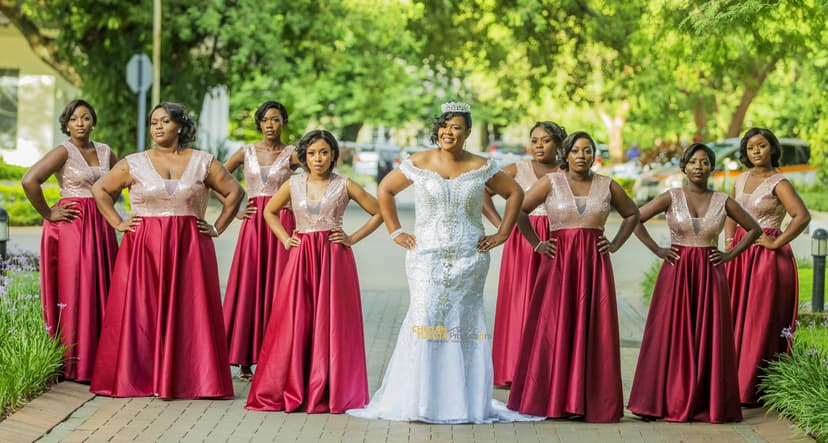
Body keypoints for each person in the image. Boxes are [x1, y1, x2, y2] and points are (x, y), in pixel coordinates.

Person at [347, 101, 542, 424]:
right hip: (426, 257)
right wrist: (395, 231)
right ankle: (421, 401)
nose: (448, 132)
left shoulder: (482, 165)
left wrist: (503, 233)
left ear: (467, 133)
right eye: (444, 126)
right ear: (437, 129)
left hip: (470, 255)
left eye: (456, 127)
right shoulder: (418, 162)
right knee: (425, 317)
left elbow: (515, 195)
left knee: (463, 326)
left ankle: (461, 403)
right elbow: (385, 189)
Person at [89, 102, 243, 399]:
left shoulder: (203, 161)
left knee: (190, 309)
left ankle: (194, 380)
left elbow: (234, 192)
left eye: (165, 121)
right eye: (153, 122)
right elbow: (100, 190)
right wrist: (118, 222)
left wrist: (218, 226)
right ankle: (140, 377)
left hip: (191, 248)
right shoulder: (134, 162)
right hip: (143, 247)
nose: (158, 126)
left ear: (181, 127)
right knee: (142, 310)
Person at [506, 131, 640, 423]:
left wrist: (615, 243)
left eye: (588, 151)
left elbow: (632, 214)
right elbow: (520, 210)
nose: (582, 156)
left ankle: (589, 401)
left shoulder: (607, 185)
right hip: (559, 264)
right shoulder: (552, 182)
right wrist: (537, 243)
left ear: (594, 155)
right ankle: (553, 398)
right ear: (566, 154)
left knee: (594, 328)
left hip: (595, 265)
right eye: (576, 151)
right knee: (554, 327)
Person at [246, 129, 382, 413]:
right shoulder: (293, 184)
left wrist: (352, 238)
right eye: (311, 153)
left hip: (334, 259)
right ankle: (295, 384)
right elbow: (269, 211)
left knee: (330, 321)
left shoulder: (345, 184)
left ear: (333, 155)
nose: (317, 158)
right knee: (296, 319)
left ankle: (329, 387)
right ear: (304, 156)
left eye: (323, 152)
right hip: (301, 256)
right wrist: (285, 239)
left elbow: (380, 211)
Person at [628, 143, 761, 423]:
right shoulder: (670, 197)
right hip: (675, 273)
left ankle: (706, 402)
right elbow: (634, 219)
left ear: (711, 167)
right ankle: (660, 401)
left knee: (707, 335)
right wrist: (657, 249)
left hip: (710, 275)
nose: (699, 167)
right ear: (684, 167)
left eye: (704, 162)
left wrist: (729, 255)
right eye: (693, 162)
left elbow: (754, 229)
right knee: (669, 334)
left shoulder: (723, 200)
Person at [21, 99, 118, 382]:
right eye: (74, 119)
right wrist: (49, 212)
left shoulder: (105, 151)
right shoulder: (64, 151)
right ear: (66, 124)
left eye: (85, 117)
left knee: (102, 286)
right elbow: (30, 180)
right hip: (72, 228)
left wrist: (106, 208)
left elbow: (117, 183)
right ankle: (75, 362)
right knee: (77, 288)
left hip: (100, 226)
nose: (80, 123)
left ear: (93, 121)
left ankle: (102, 357)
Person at [724, 128, 810, 405]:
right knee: (736, 315)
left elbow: (802, 216)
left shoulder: (780, 182)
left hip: (766, 257)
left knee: (759, 319)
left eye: (762, 146)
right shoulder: (740, 180)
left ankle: (751, 387)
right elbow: (730, 211)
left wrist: (776, 243)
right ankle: (728, 379)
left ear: (772, 148)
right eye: (751, 148)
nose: (756, 151)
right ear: (745, 153)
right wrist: (728, 240)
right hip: (740, 253)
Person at [222, 101, 300, 381]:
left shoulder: (293, 154)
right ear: (259, 124)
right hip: (254, 225)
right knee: (251, 285)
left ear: (284, 122)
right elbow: (217, 178)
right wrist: (235, 209)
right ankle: (244, 359)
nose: (270, 125)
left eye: (276, 119)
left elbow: (316, 176)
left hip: (281, 223)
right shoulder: (246, 152)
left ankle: (277, 355)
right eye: (265, 120)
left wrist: (297, 203)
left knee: (279, 286)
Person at [487, 121, 566, 387]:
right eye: (534, 140)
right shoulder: (516, 169)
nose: (539, 145)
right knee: (520, 301)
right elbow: (482, 193)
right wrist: (502, 223)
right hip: (523, 239)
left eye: (545, 140)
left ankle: (548, 367)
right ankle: (513, 369)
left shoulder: (567, 171)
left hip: (557, 239)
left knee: (554, 303)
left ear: (558, 143)